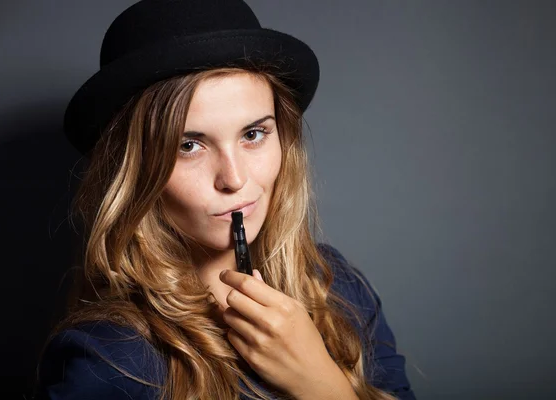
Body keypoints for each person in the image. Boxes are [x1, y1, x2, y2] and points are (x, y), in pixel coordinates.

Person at [34, 1, 416, 399]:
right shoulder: (111, 360)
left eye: (253, 134)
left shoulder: (338, 288)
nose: (234, 179)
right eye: (189, 145)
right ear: (135, 171)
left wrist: (320, 381)